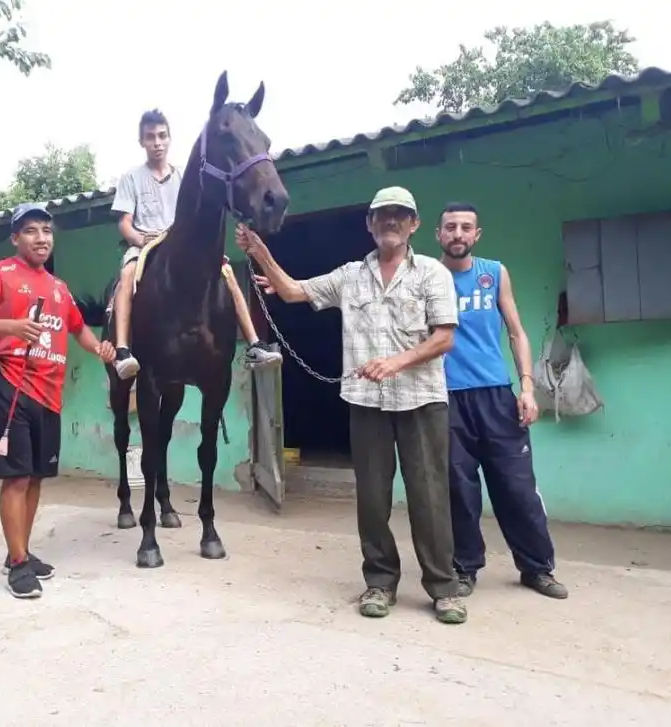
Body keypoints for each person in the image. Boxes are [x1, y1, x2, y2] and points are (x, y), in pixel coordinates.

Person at [236, 186, 468, 625]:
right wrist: (262, 252)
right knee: (372, 498)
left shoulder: (431, 273)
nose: (391, 222)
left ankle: (443, 587)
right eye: (382, 215)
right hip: (366, 403)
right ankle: (379, 582)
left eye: (400, 215)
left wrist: (396, 362)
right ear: (370, 224)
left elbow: (444, 337)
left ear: (414, 224)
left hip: (421, 401)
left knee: (430, 496)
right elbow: (291, 291)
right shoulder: (350, 276)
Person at [0, 202, 117, 599]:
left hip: (50, 393)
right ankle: (16, 564)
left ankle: (23, 552)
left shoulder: (59, 288)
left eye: (46, 231)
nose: (41, 238)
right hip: (9, 385)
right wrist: (12, 327)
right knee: (15, 478)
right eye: (31, 231)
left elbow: (79, 330)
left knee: (35, 479)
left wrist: (101, 349)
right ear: (16, 238)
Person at [437, 202, 568, 599]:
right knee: (458, 490)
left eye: (465, 228)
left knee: (516, 487)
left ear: (477, 235)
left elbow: (516, 332)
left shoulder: (493, 273)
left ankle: (537, 568)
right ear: (438, 235)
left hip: (496, 396)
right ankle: (464, 568)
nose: (457, 234)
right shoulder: (427, 277)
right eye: (450, 228)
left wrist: (526, 387)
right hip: (445, 399)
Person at [108, 108, 282, 380]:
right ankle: (122, 349)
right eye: (150, 137)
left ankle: (253, 343)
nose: (157, 142)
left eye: (162, 136)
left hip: (179, 240)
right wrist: (140, 239)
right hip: (145, 244)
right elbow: (124, 223)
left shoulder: (182, 176)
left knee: (226, 273)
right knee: (127, 273)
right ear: (141, 141)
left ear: (169, 139)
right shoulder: (131, 177)